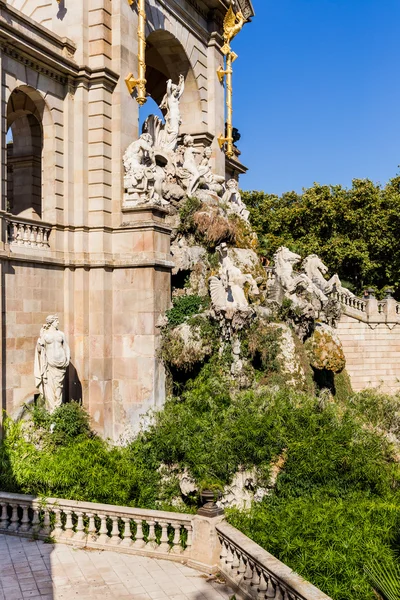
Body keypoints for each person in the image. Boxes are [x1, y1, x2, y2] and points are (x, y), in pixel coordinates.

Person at [34, 315, 70, 413]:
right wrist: (40, 339)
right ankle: (52, 412)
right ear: (51, 322)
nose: (58, 322)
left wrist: (67, 358)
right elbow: (39, 350)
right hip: (50, 364)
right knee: (49, 387)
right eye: (56, 321)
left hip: (61, 364)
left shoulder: (61, 334)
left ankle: (57, 410)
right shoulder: (45, 335)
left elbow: (66, 347)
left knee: (59, 388)